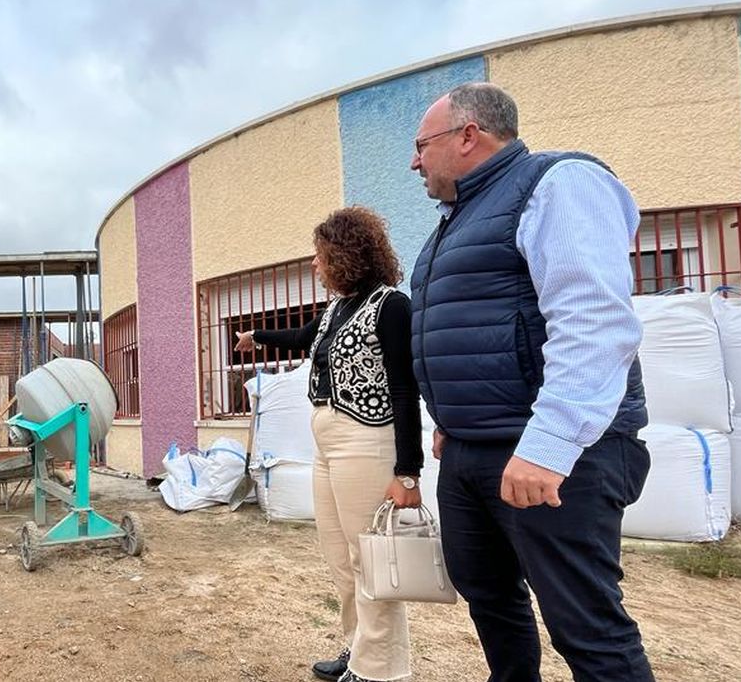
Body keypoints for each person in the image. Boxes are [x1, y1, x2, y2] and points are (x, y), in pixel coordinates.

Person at [408, 82, 653, 681]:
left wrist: (548, 445)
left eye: (421, 145)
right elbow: (476, 329)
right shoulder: (453, 224)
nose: (415, 162)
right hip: (473, 450)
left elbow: (593, 321)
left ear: (469, 135)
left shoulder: (557, 183)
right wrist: (452, 420)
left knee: (585, 626)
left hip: (547, 455)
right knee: (489, 596)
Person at [235, 206, 423, 682]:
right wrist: (254, 336)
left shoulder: (391, 305)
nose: (315, 265)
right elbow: (302, 336)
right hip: (328, 444)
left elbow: (405, 387)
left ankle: (378, 669)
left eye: (320, 255)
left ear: (345, 253)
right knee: (340, 557)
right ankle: (357, 648)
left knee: (371, 558)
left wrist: (407, 471)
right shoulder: (339, 308)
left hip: (367, 443)